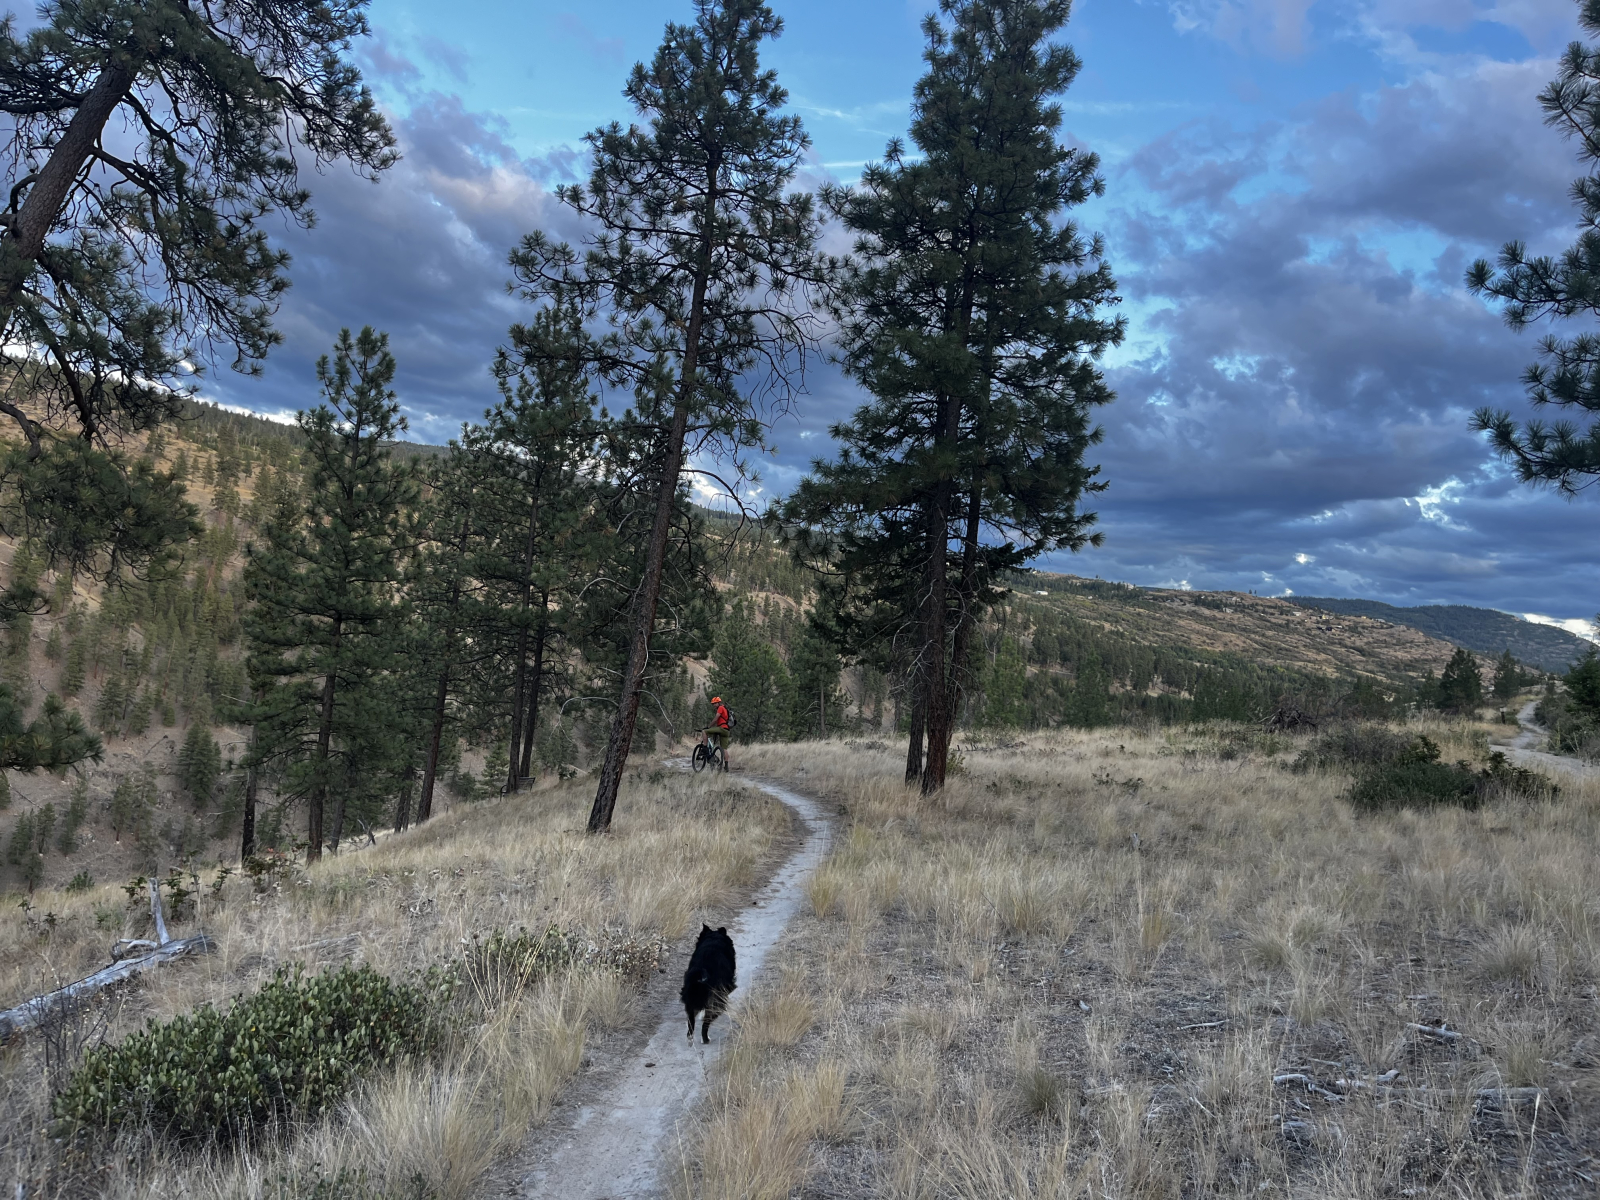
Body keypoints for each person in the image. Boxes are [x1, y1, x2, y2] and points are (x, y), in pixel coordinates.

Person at [705, 695, 732, 771]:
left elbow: (715, 719)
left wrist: (709, 726)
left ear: (718, 703)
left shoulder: (720, 708)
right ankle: (726, 766)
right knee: (724, 749)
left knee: (704, 731)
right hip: (726, 730)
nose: (713, 705)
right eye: (713, 704)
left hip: (721, 728)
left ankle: (704, 747)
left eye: (714, 703)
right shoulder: (725, 709)